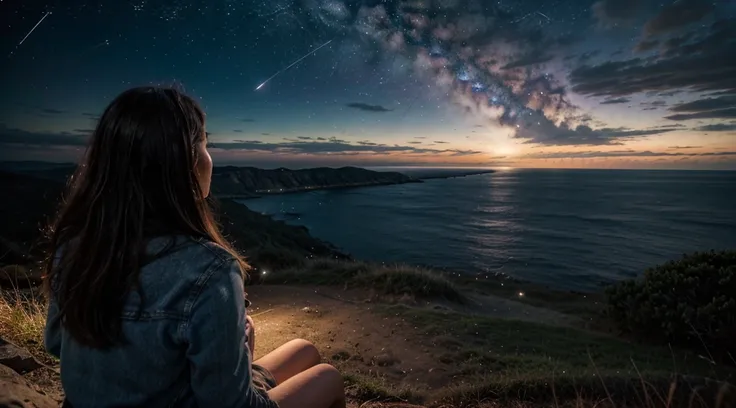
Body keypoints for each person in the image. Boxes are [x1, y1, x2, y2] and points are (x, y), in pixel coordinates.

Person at [42, 86, 346, 408]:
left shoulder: (75, 245)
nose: (210, 156)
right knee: (327, 376)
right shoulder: (209, 269)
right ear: (184, 161)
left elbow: (56, 343)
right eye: (205, 143)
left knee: (303, 348)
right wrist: (241, 346)